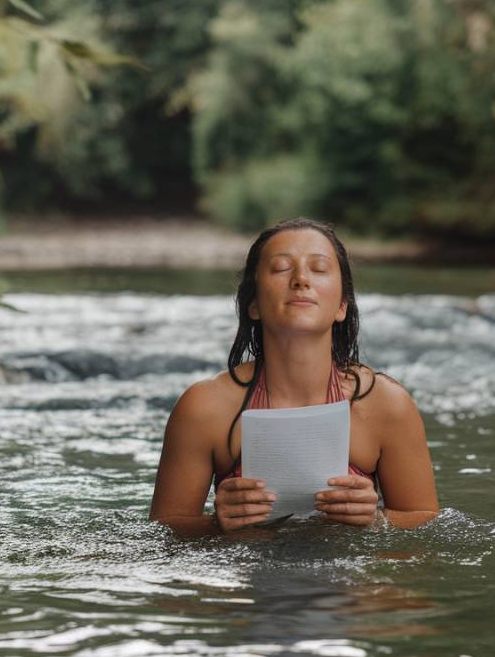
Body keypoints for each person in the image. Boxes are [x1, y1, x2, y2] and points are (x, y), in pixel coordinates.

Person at [149, 218, 439, 535]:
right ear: (253, 304)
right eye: (281, 268)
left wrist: (377, 521)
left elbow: (428, 525)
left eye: (319, 268)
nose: (301, 279)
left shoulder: (387, 404)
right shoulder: (204, 408)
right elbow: (162, 533)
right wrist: (217, 526)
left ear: (342, 306)